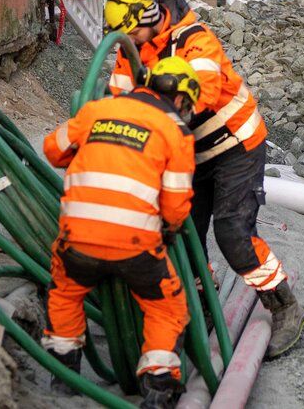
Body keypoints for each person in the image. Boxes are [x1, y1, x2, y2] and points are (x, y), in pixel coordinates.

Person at [103, 0, 304, 358]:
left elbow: (201, 94)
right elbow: (116, 102)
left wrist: (151, 117)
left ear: (147, 17)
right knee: (180, 233)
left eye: (128, 33)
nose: (124, 43)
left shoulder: (194, 39)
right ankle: (202, 304)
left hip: (235, 146)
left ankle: (284, 305)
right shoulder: (130, 48)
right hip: (187, 154)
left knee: (232, 232)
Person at [39, 56, 201, 409]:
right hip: (135, 247)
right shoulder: (176, 133)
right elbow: (174, 209)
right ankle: (158, 389)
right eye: (187, 105)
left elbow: (53, 150)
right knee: (166, 306)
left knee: (65, 294)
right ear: (178, 97)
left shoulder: (97, 110)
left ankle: (62, 379)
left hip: (75, 239)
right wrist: (168, 231)